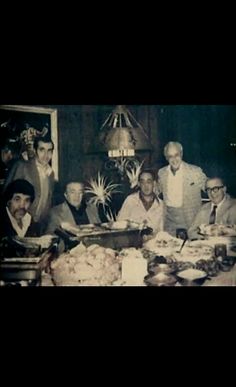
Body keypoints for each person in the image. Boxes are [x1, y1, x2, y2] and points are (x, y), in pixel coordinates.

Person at [4, 136, 55, 232]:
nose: (46, 155)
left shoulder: (51, 174)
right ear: (35, 151)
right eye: (42, 150)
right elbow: (6, 195)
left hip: (38, 228)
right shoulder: (22, 166)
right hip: (18, 224)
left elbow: (48, 202)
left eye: (49, 151)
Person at [158, 141, 207, 236]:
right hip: (169, 221)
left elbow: (208, 186)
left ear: (181, 154)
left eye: (176, 155)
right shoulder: (162, 173)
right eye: (170, 156)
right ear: (166, 158)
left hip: (191, 220)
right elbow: (156, 190)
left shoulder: (194, 171)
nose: (174, 159)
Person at [117, 169, 164, 233]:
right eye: (142, 182)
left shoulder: (161, 205)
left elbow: (162, 231)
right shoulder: (130, 200)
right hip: (132, 241)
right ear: (139, 184)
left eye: (149, 182)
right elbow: (119, 224)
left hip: (154, 241)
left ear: (154, 183)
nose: (146, 185)